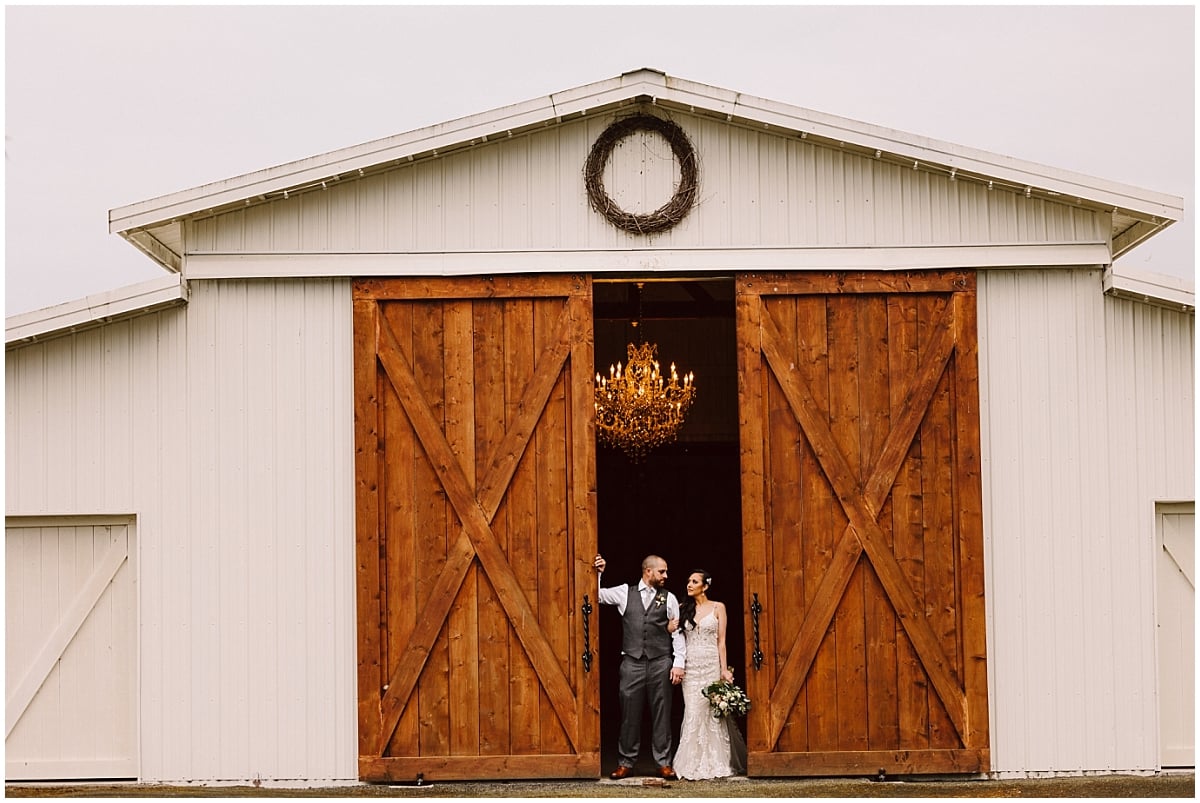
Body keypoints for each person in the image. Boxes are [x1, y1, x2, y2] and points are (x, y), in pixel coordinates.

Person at [593, 553, 686, 781]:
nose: (666, 575)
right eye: (662, 571)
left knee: (662, 714)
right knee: (629, 714)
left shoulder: (669, 598)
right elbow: (596, 596)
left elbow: (678, 633)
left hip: (660, 662)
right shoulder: (626, 592)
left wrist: (678, 663)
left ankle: (663, 763)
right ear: (648, 571)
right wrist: (598, 574)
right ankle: (626, 762)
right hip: (632, 663)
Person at [669, 569, 746, 780]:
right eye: (688, 581)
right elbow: (674, 636)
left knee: (713, 714)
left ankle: (716, 762)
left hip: (711, 664)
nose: (689, 584)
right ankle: (689, 763)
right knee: (692, 711)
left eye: (694, 581)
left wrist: (724, 669)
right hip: (691, 665)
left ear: (705, 586)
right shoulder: (683, 608)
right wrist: (669, 627)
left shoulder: (718, 607)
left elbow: (722, 642)